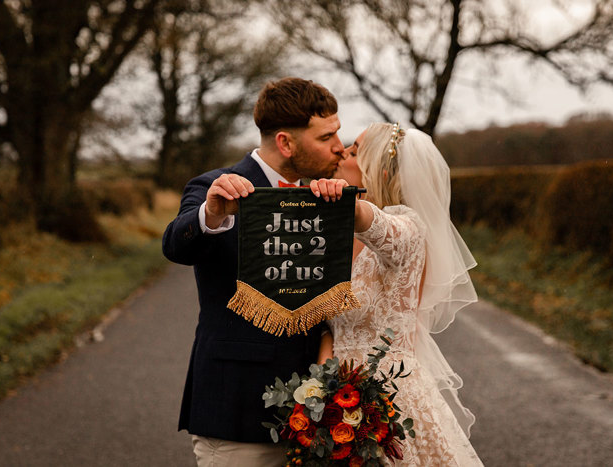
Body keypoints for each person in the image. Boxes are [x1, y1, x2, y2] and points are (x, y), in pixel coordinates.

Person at [162, 77, 345, 467]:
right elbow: (176, 245)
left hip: (318, 417)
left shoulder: (324, 195)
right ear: (285, 142)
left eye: (338, 133)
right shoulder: (214, 186)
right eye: (327, 136)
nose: (339, 147)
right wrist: (211, 214)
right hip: (237, 409)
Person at [310, 122, 484, 466]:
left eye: (355, 150)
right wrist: (319, 385)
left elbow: (378, 226)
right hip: (336, 394)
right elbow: (332, 324)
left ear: (376, 168)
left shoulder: (408, 230)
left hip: (389, 395)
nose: (342, 152)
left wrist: (348, 202)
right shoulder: (340, 237)